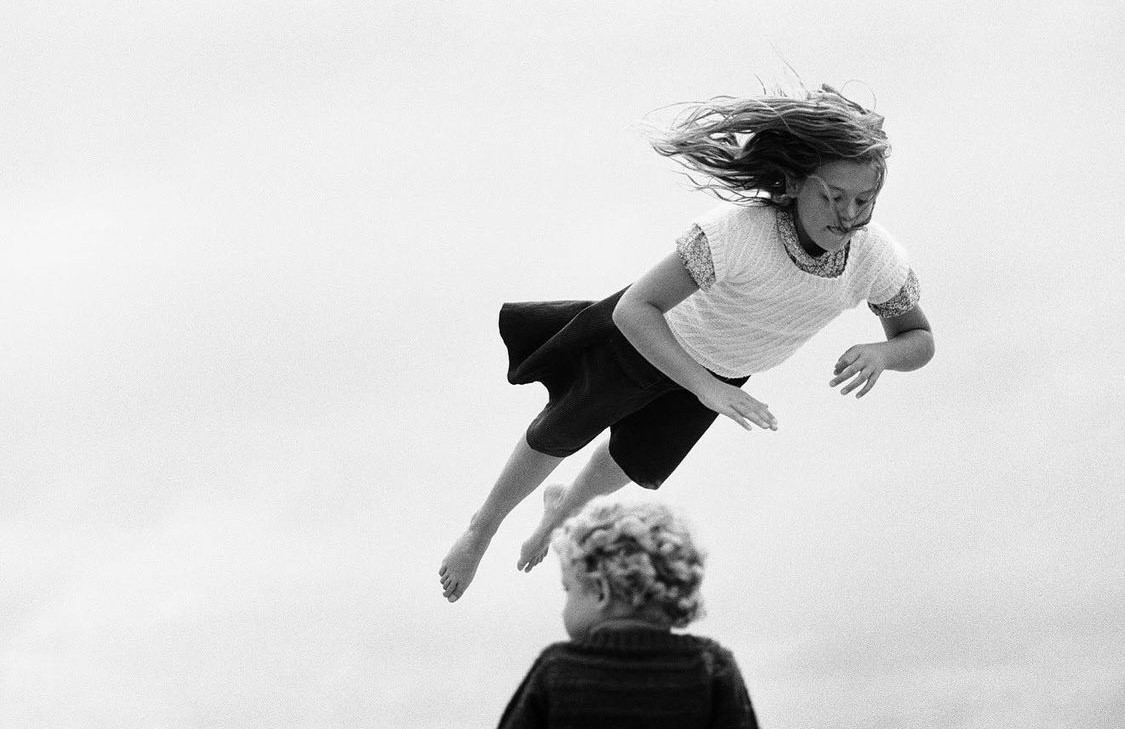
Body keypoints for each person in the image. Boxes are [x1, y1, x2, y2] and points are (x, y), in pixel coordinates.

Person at [440, 84, 935, 602]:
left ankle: (558, 514)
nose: (848, 216)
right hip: (645, 344)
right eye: (834, 197)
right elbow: (635, 308)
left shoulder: (874, 258)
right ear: (792, 184)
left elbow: (918, 339)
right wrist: (706, 389)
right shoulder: (739, 234)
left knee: (631, 465)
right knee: (560, 433)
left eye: (865, 201)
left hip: (722, 375)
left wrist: (883, 354)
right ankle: (482, 527)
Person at [497, 497, 759, 729]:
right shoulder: (712, 666)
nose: (564, 607)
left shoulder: (557, 670)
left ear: (601, 590)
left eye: (568, 589)